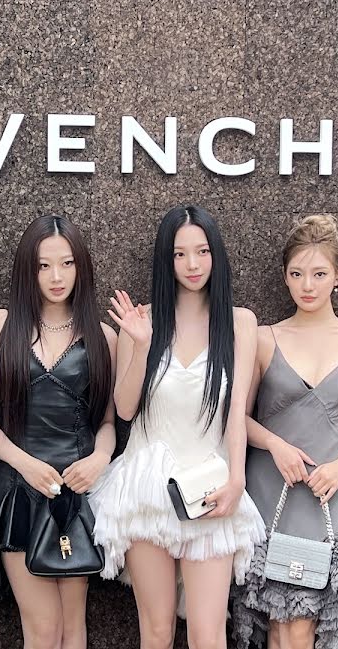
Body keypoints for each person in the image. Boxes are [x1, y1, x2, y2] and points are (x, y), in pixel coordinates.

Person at [91, 204, 266, 649]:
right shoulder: (143, 320)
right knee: (157, 630)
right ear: (166, 260)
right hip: (148, 484)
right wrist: (142, 345)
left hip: (210, 485)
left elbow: (235, 414)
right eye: (180, 253)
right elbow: (125, 410)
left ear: (216, 255)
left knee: (208, 633)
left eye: (202, 251)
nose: (192, 264)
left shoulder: (240, 323)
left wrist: (237, 480)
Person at [232, 214, 338, 649]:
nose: (307, 285)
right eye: (297, 273)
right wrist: (274, 444)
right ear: (285, 276)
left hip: (329, 495)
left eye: (319, 274)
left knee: (308, 626)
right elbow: (235, 416)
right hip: (272, 490)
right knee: (279, 627)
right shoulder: (263, 339)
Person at [0, 214, 117, 649]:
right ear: (28, 269)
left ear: (81, 267)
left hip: (76, 490)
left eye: (67, 264)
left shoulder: (102, 336)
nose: (57, 277)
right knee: (43, 629)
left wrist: (99, 459)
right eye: (44, 265)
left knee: (73, 628)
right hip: (18, 489)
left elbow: (107, 422)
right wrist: (25, 464)